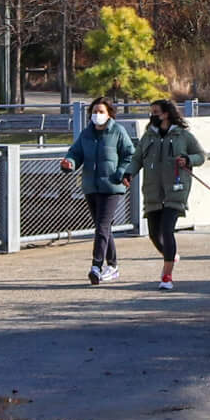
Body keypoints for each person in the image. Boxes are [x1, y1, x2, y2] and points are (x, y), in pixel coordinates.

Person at [127, 98, 206, 289]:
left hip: (175, 191)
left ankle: (166, 276)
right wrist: (129, 173)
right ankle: (170, 255)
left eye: (156, 112)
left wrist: (187, 160)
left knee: (167, 230)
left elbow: (201, 156)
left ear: (167, 113)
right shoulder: (148, 137)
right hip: (153, 192)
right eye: (151, 112)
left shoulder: (183, 136)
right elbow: (137, 158)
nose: (153, 116)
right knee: (154, 233)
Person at [59, 96, 135, 284]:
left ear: (109, 114)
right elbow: (75, 153)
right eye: (94, 112)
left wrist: (121, 173)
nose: (97, 115)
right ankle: (113, 265)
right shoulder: (86, 134)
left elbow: (130, 154)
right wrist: (69, 163)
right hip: (91, 186)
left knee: (102, 226)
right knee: (103, 228)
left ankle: (96, 266)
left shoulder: (118, 131)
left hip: (111, 186)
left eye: (101, 112)